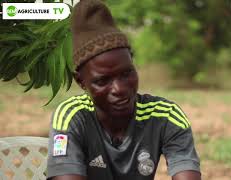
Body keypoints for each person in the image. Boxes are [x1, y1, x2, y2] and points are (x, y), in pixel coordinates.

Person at [47, 0, 201, 179]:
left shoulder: (165, 116)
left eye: (126, 73)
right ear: (81, 82)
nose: (119, 89)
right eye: (103, 80)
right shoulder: (72, 117)